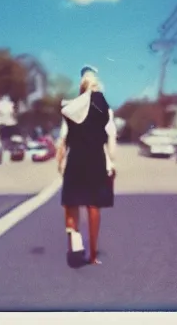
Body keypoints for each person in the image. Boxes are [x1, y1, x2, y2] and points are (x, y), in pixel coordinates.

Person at [55, 66, 117, 266]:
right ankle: (92, 256)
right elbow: (111, 140)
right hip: (96, 160)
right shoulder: (104, 108)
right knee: (93, 205)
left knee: (71, 202)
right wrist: (111, 162)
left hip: (76, 160)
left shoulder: (71, 109)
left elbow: (62, 141)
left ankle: (74, 238)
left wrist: (60, 162)